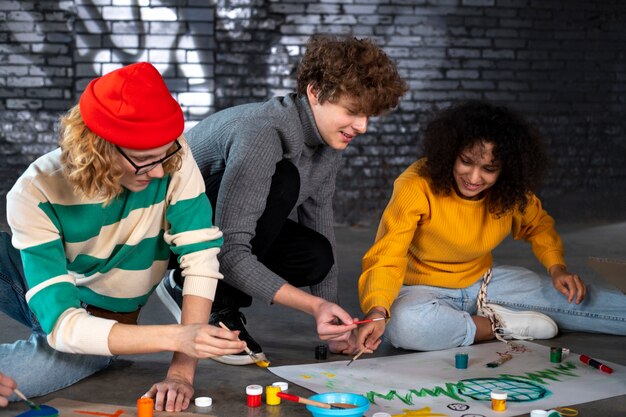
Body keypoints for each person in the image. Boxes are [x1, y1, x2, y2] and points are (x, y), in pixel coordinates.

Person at [0, 62, 246, 411]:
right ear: (99, 148)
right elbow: (62, 326)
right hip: (44, 283)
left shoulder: (169, 155)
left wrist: (181, 372)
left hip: (100, 315)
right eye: (145, 160)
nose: (160, 171)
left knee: (19, 377)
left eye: (165, 155)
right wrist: (179, 335)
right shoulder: (33, 192)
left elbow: (201, 257)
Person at [156, 34, 408, 364]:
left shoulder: (327, 145)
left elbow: (322, 230)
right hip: (173, 237)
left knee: (317, 255)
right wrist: (313, 306)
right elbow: (231, 249)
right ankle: (197, 291)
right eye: (352, 111)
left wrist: (336, 328)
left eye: (368, 116)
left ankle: (210, 293)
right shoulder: (264, 131)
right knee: (285, 178)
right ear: (315, 92)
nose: (361, 126)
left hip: (216, 234)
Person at [356, 100, 626, 353]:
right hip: (420, 290)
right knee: (403, 325)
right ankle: (496, 326)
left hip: (486, 283)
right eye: (466, 161)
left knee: (579, 301)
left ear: (504, 170)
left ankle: (473, 320)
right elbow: (387, 254)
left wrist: (558, 269)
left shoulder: (510, 192)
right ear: (450, 154)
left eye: (489, 168)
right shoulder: (415, 185)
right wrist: (378, 311)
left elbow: (538, 225)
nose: (474, 178)